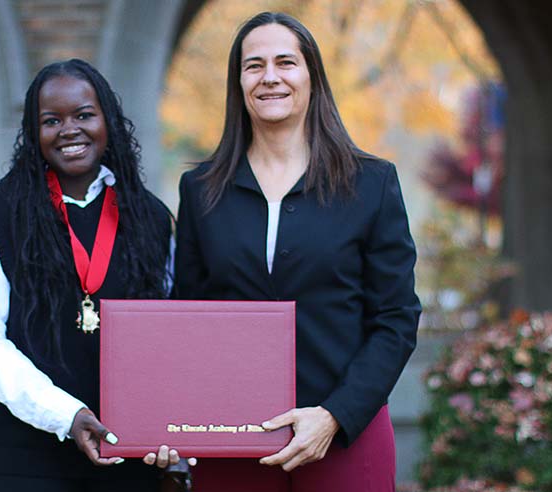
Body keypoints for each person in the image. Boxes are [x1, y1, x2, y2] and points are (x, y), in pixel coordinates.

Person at [174, 12, 422, 491]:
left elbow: (396, 318)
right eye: (254, 65)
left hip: (347, 432)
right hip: (231, 436)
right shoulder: (200, 190)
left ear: (312, 77)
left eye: (286, 62)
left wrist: (334, 416)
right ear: (238, 82)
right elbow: (189, 317)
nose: (270, 77)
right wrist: (172, 420)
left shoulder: (372, 184)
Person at [0, 59, 175, 492]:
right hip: (24, 460)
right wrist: (65, 414)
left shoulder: (149, 216)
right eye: (51, 120)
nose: (69, 129)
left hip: (127, 452)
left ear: (108, 120)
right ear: (33, 133)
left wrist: (169, 432)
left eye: (84, 115)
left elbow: (167, 335)